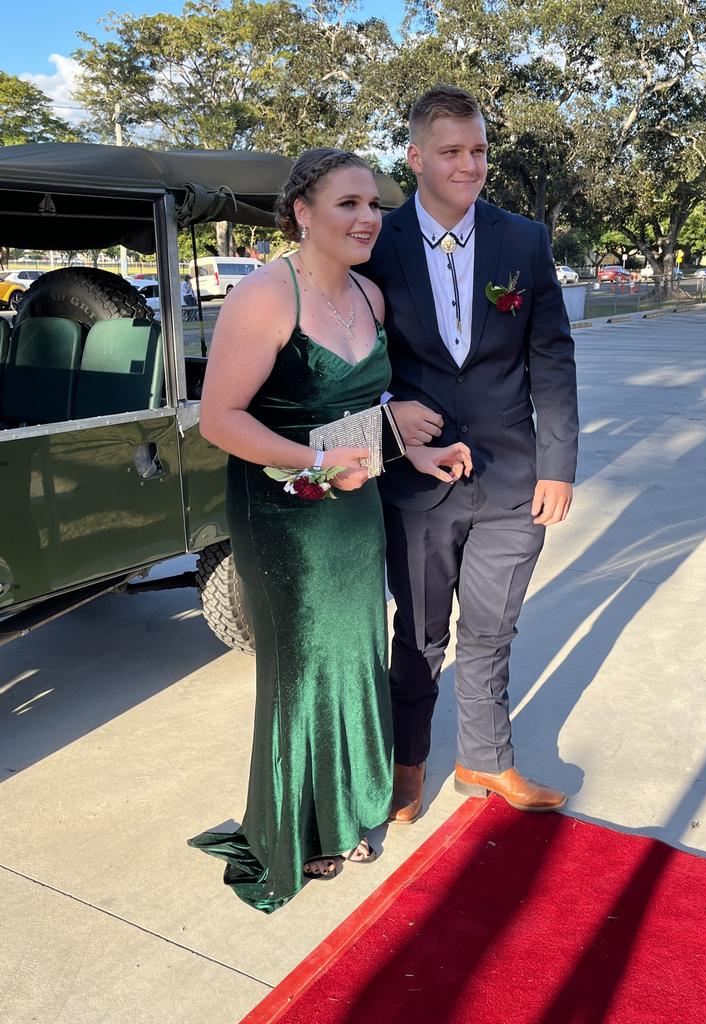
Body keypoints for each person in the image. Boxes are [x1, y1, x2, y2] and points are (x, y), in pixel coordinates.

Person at [188, 147, 471, 913]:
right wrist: (319, 458)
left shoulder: (373, 300)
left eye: (374, 204)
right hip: (282, 512)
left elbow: (365, 423)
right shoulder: (262, 297)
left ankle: (348, 811)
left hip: (352, 508)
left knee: (353, 650)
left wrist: (418, 446)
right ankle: (300, 828)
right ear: (301, 212)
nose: (367, 218)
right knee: (304, 662)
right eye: (347, 203)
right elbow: (221, 420)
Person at [358, 85, 579, 823]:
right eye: (451, 151)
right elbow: (349, 360)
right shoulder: (373, 243)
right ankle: (407, 765)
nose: (469, 164)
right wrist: (389, 419)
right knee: (418, 636)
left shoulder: (523, 240)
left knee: (492, 630)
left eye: (479, 150)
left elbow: (552, 357)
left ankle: (485, 762)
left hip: (515, 479)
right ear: (415, 157)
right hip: (417, 482)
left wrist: (558, 463)